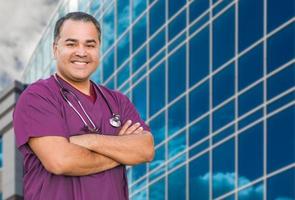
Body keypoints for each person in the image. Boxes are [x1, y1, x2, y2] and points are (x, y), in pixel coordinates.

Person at [13, 12, 154, 200]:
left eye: (90, 45)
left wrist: (89, 140)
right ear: (55, 49)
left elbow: (145, 150)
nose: (81, 52)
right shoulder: (37, 97)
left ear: (99, 49)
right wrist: (122, 151)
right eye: (71, 44)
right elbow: (60, 161)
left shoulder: (117, 101)